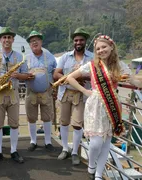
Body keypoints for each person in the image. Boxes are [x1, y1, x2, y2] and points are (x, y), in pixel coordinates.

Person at [66, 35, 132, 180]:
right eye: (98, 49)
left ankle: (98, 174)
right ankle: (91, 164)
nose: (101, 50)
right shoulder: (92, 65)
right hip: (95, 105)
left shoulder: (120, 65)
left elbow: (131, 79)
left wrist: (132, 79)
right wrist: (85, 91)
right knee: (96, 143)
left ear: (111, 47)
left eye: (104, 47)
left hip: (112, 104)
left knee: (106, 143)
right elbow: (70, 77)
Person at [0, 27, 30, 164]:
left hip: (13, 93)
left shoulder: (19, 57)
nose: (6, 40)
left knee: (14, 124)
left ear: (13, 39)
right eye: (4, 37)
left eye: (9, 37)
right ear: (0, 40)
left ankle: (14, 150)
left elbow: (27, 75)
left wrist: (18, 75)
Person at [53, 27, 93, 165]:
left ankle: (75, 152)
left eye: (81, 40)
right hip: (65, 93)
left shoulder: (92, 57)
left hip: (81, 95)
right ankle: (65, 149)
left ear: (85, 41)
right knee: (63, 122)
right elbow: (56, 73)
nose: (78, 42)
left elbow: (95, 75)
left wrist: (82, 77)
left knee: (77, 124)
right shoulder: (65, 56)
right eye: (76, 40)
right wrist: (69, 77)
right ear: (73, 42)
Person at [25, 30, 57, 152]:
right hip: (31, 92)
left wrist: (55, 88)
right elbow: (22, 73)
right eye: (32, 41)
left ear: (41, 41)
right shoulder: (26, 58)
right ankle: (33, 141)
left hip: (46, 92)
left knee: (47, 117)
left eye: (37, 40)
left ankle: (48, 141)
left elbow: (56, 72)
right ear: (29, 44)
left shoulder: (50, 56)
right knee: (31, 117)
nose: (34, 42)